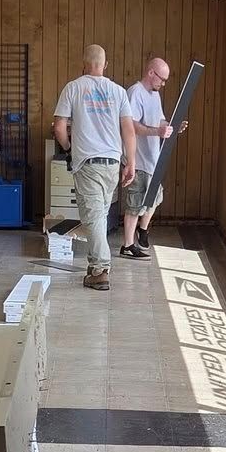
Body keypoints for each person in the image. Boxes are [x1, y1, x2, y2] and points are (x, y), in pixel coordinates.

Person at [52, 44, 135, 291]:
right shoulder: (119, 92)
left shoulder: (73, 88)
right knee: (99, 213)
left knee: (94, 217)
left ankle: (100, 270)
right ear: (105, 65)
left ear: (84, 63)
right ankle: (94, 265)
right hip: (112, 163)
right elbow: (128, 130)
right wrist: (131, 162)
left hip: (88, 163)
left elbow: (59, 127)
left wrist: (68, 148)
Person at [119, 54, 186, 258]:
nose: (163, 84)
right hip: (137, 160)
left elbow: (160, 121)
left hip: (153, 160)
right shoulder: (135, 93)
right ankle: (128, 245)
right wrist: (157, 132)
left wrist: (172, 128)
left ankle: (143, 230)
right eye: (162, 79)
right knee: (134, 204)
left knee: (154, 199)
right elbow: (132, 126)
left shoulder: (154, 95)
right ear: (151, 73)